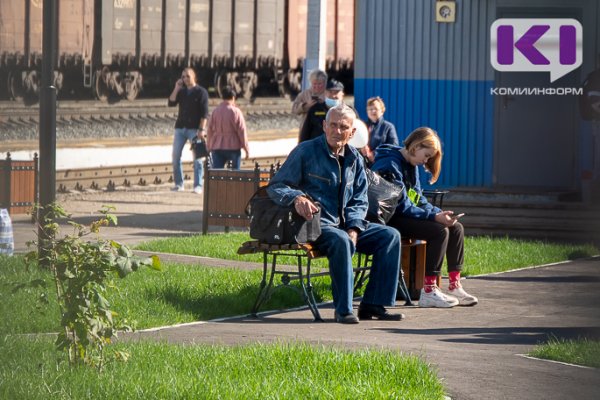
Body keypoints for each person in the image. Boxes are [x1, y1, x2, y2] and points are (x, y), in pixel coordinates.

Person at [267, 104, 403, 324]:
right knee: (341, 240)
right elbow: (276, 185)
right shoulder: (305, 151)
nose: (337, 131)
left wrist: (354, 228)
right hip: (316, 224)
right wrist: (297, 198)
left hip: (345, 225)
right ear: (323, 126)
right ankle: (343, 310)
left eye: (343, 127)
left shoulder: (356, 159)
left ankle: (372, 305)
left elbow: (359, 199)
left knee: (390, 236)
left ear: (352, 132)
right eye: (332, 125)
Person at [371, 127, 478, 308]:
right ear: (416, 146)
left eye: (429, 158)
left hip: (404, 214)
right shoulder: (390, 164)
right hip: (389, 218)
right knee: (439, 231)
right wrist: (434, 218)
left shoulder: (411, 165)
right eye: (426, 155)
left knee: (456, 228)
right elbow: (402, 206)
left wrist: (438, 213)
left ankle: (454, 285)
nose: (426, 161)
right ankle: (429, 291)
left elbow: (418, 199)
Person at [168, 68, 209, 194]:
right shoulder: (181, 91)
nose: (185, 79)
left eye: (188, 76)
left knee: (197, 158)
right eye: (183, 76)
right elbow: (171, 103)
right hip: (180, 128)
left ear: (194, 76)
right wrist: (176, 87)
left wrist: (201, 129)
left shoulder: (201, 92)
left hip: (195, 130)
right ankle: (179, 184)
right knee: (175, 155)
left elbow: (204, 113)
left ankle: (198, 185)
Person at [206, 86, 250, 169]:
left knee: (217, 176)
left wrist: (209, 146)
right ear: (233, 97)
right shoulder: (236, 111)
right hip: (233, 146)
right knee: (235, 176)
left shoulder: (215, 111)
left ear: (222, 97)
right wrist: (246, 148)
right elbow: (242, 131)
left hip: (217, 146)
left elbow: (210, 130)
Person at [360, 96, 399, 165]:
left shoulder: (388, 127)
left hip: (381, 165)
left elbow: (393, 146)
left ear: (382, 111)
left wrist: (375, 154)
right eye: (370, 109)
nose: (373, 111)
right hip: (363, 165)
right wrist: (361, 149)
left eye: (375, 109)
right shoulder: (362, 126)